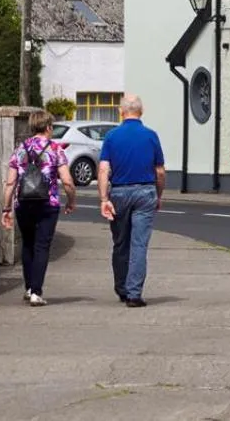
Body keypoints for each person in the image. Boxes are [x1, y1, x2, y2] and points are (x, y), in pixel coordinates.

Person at [1, 110, 76, 306]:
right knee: (42, 246)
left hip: (23, 203)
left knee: (27, 244)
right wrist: (71, 201)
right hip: (47, 204)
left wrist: (6, 208)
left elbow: (10, 183)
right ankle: (36, 291)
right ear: (48, 127)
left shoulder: (20, 149)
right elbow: (67, 181)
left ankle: (28, 288)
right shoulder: (55, 149)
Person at [97, 94, 165, 308]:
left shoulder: (112, 136)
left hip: (118, 193)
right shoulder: (151, 136)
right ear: (141, 111)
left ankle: (122, 288)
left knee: (120, 243)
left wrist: (103, 199)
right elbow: (160, 171)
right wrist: (159, 194)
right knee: (139, 245)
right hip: (145, 192)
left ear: (120, 111)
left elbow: (103, 169)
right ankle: (135, 294)